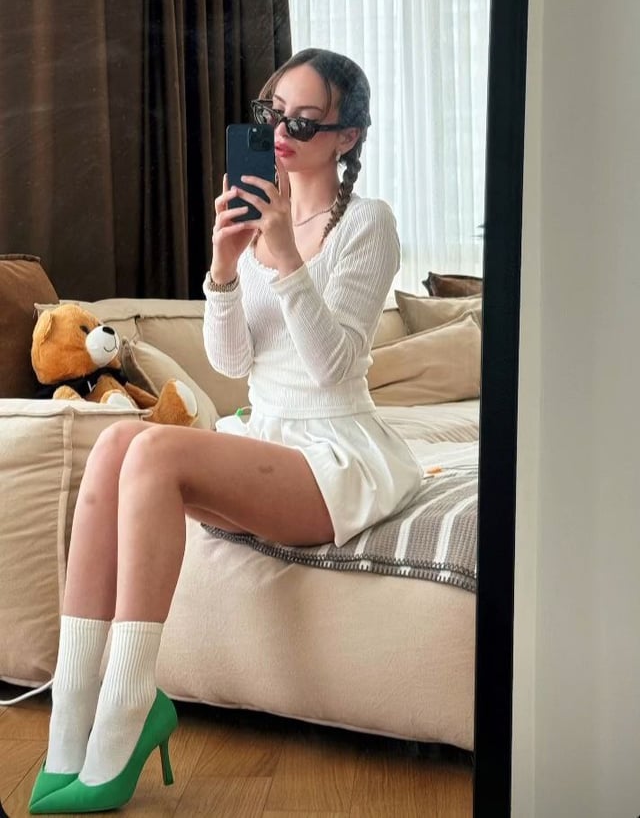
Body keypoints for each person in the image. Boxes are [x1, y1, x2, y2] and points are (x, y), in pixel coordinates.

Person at [28, 48, 424, 814]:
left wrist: (285, 259)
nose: (279, 133)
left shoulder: (367, 224)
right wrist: (223, 266)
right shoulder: (255, 216)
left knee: (154, 449)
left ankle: (131, 704)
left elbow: (334, 367)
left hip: (331, 448)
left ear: (346, 136)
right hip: (264, 432)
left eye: (303, 122)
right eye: (272, 113)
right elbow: (233, 362)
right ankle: (72, 715)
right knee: (117, 442)